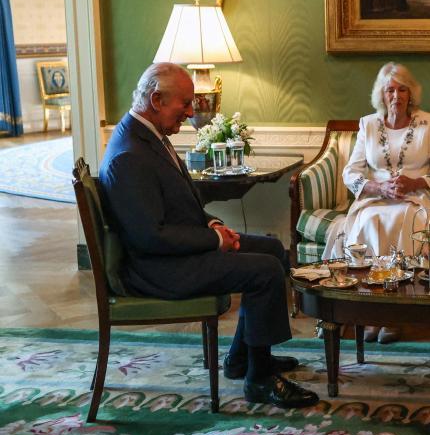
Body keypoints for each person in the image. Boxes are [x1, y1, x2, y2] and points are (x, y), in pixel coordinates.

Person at [98, 63, 318, 409]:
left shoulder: (150, 136)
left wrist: (213, 225)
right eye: (184, 104)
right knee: (264, 271)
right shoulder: (129, 155)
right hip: (157, 270)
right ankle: (259, 379)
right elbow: (150, 237)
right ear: (156, 99)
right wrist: (216, 242)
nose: (189, 112)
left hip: (175, 255)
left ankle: (241, 359)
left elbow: (180, 203)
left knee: (274, 249)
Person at [323, 62, 430, 344]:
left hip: (415, 197)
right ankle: (372, 312)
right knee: (370, 220)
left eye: (402, 90)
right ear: (381, 95)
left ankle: (396, 313)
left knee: (407, 220)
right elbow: (351, 172)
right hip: (375, 198)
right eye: (390, 90)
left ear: (411, 94)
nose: (396, 96)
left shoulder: (426, 122)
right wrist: (378, 186)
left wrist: (416, 182)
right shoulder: (368, 124)